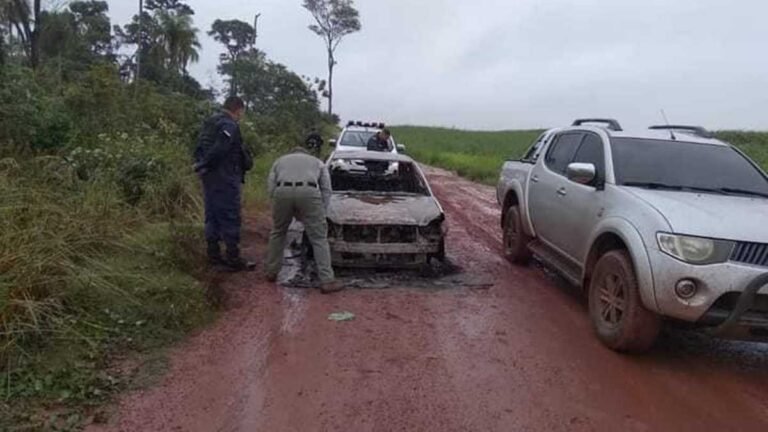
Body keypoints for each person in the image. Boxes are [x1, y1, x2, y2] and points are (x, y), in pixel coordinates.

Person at [265, 144, 342, 293]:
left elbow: (271, 185)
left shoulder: (279, 161)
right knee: (319, 238)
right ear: (306, 154)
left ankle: (271, 272)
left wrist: (277, 202)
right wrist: (322, 211)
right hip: (309, 191)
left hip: (282, 191)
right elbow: (326, 188)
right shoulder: (317, 162)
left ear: (291, 153)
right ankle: (327, 280)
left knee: (278, 232)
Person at [194, 96, 255, 272]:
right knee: (230, 216)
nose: (241, 116)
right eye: (242, 112)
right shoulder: (229, 125)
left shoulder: (209, 122)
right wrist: (206, 164)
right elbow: (220, 149)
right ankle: (233, 258)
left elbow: (198, 147)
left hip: (210, 177)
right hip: (225, 177)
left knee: (212, 215)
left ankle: (213, 256)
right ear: (238, 109)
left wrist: (201, 166)